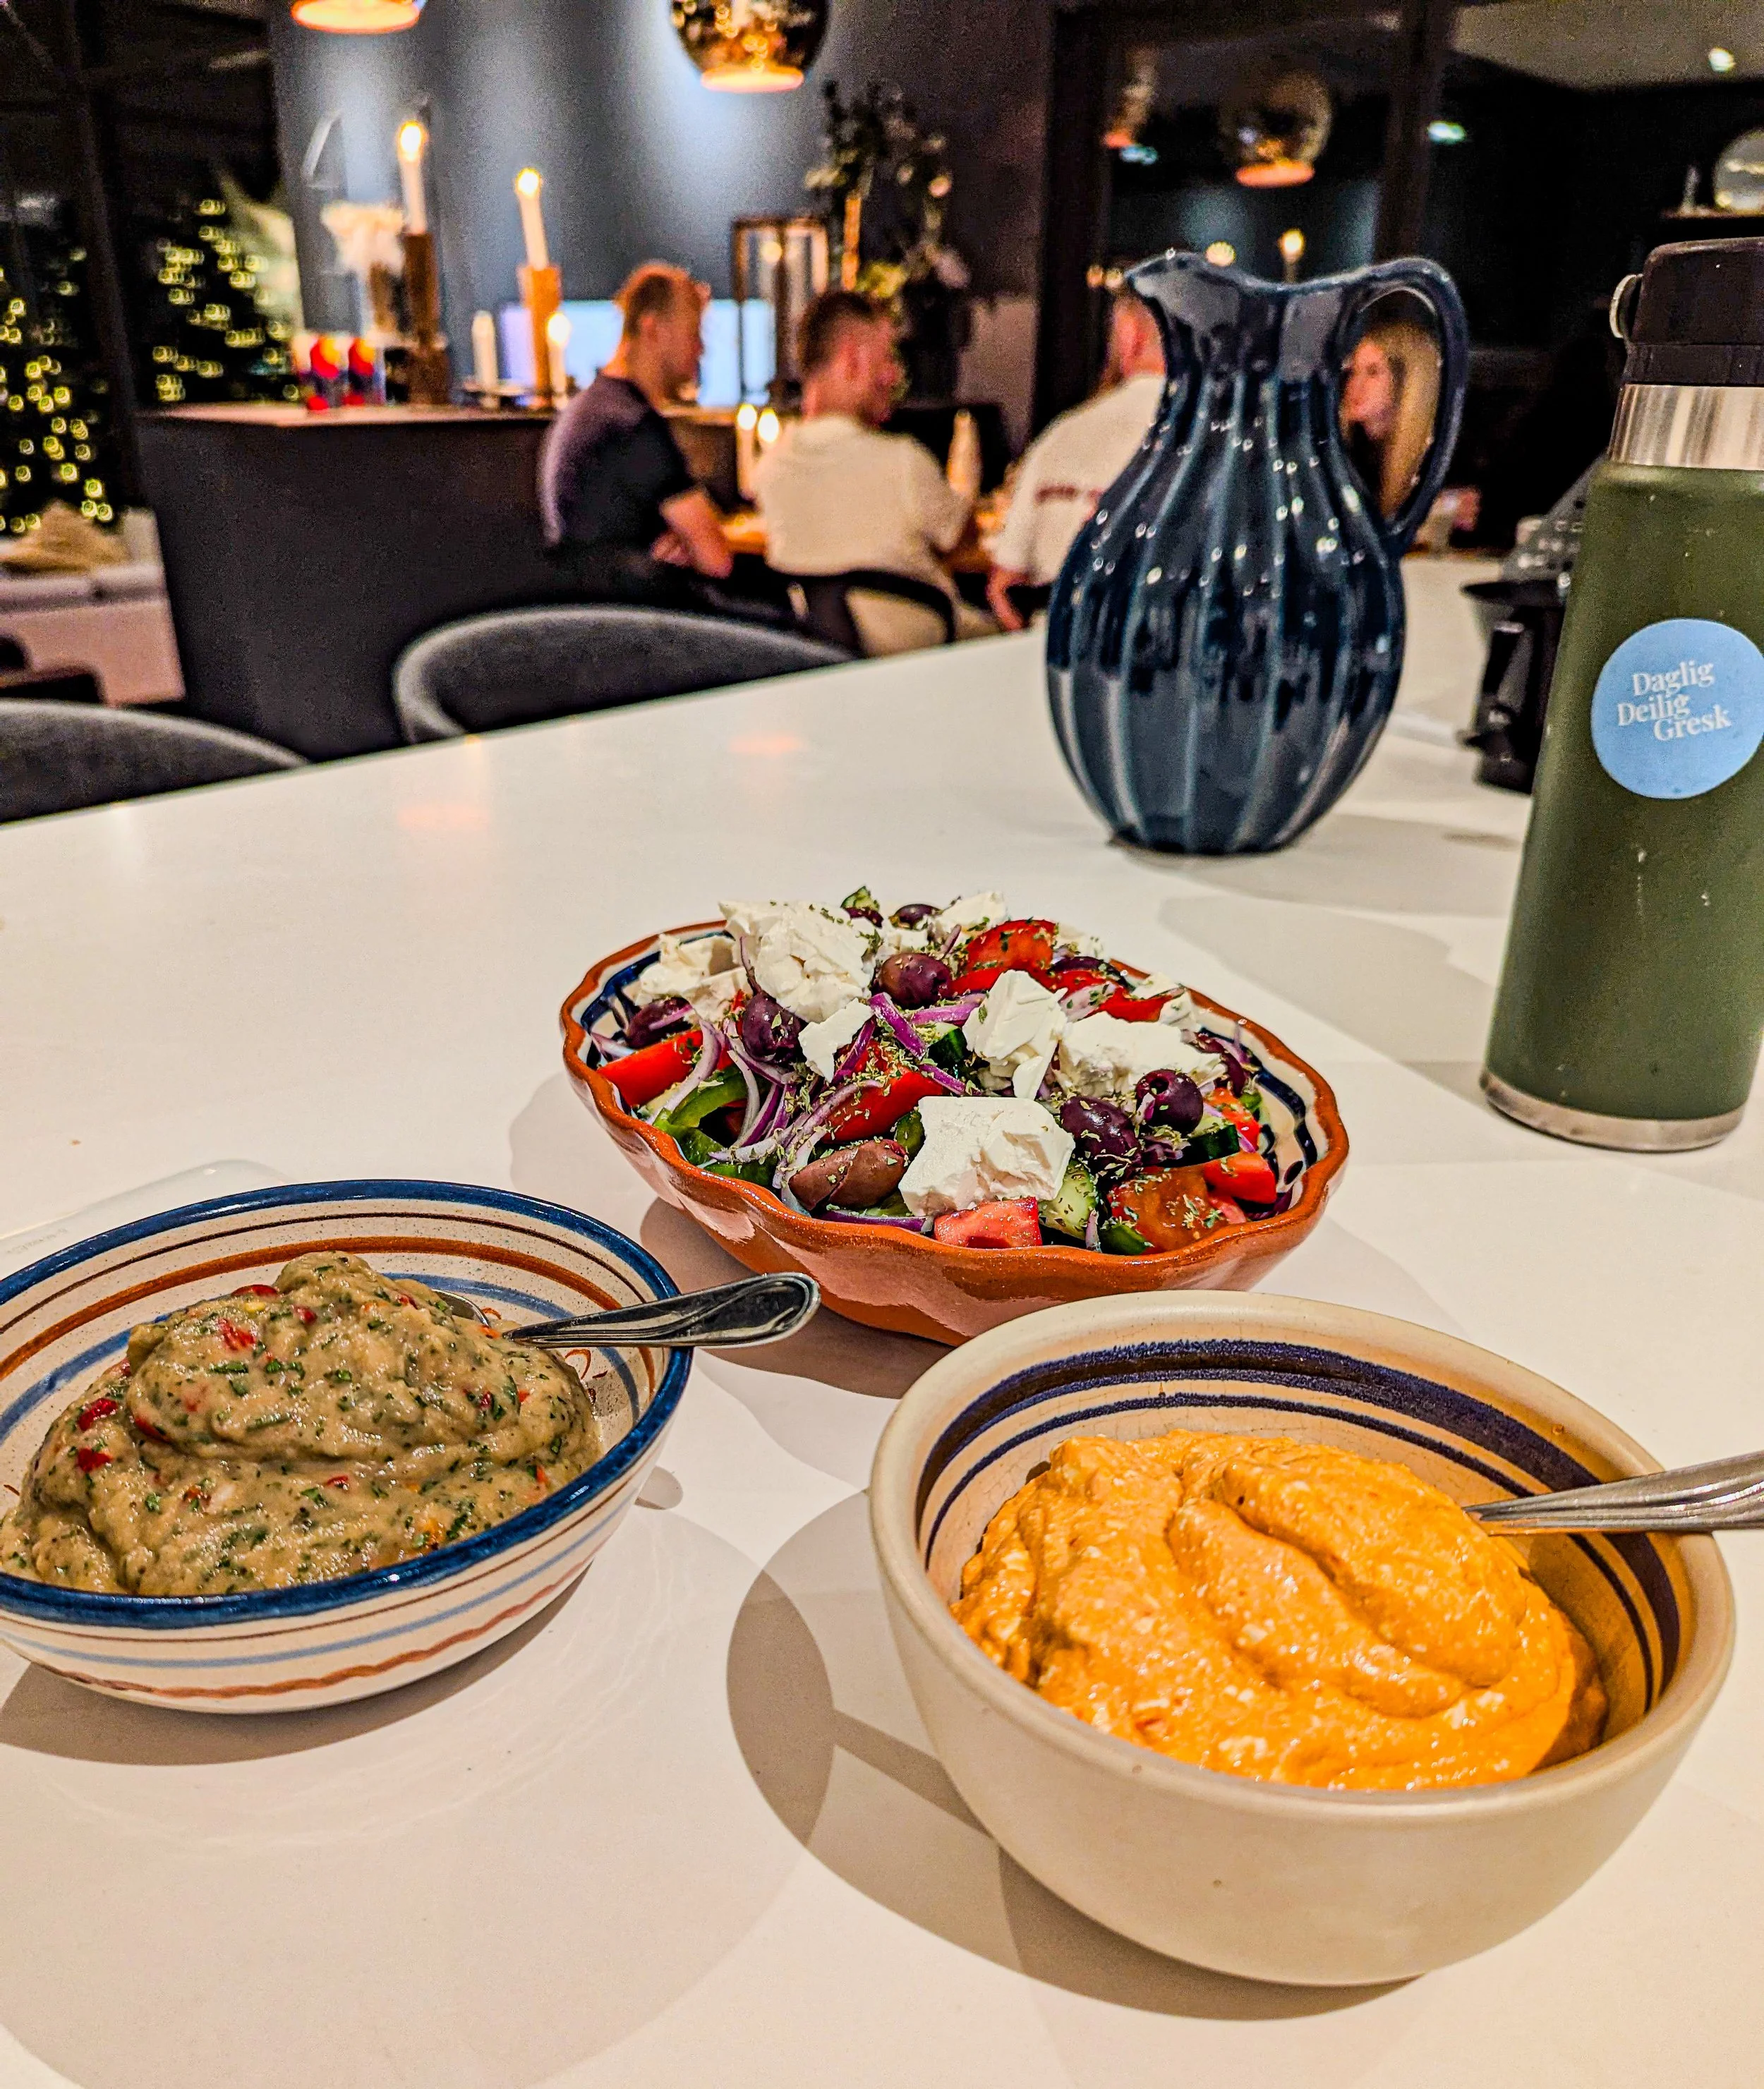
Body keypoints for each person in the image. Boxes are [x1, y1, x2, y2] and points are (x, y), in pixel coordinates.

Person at [755, 289, 985, 655]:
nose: (895, 375)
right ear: (852, 360)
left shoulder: (769, 470)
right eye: (887, 357)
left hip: (823, 657)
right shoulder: (902, 461)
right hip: (931, 655)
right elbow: (962, 537)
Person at [539, 260, 733, 592]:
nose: (701, 350)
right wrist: (688, 543)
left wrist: (675, 544)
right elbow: (717, 561)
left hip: (592, 609)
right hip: (639, 615)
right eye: (693, 333)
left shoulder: (589, 409)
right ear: (653, 329)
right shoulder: (632, 426)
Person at [985, 290, 1165, 631]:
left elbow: (1003, 585)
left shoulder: (1059, 438)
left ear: (1130, 336)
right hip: (1164, 653)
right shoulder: (1224, 443)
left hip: (1051, 649)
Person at [1339, 314, 1441, 520]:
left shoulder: (1432, 462)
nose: (1355, 384)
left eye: (1373, 372)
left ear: (1406, 382)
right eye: (1353, 371)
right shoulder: (1339, 452)